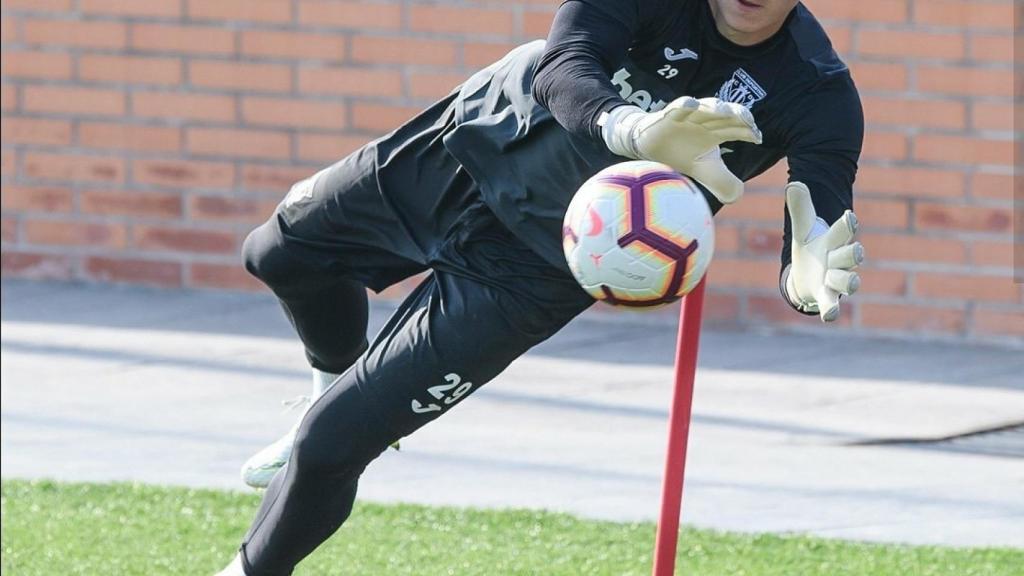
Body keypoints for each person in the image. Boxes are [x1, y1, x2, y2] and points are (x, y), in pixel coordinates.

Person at [219, 0, 865, 573]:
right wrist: (633, 130)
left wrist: (804, 282)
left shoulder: (818, 91)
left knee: (329, 445)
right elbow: (565, 65)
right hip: (477, 141)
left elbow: (815, 232)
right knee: (277, 255)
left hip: (536, 268)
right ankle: (334, 381)